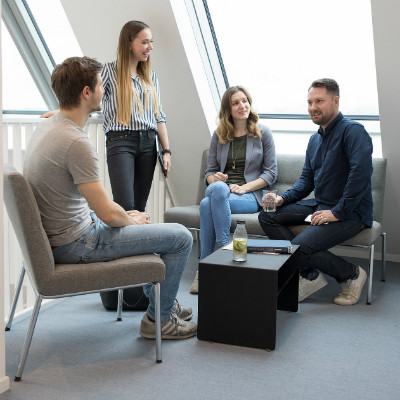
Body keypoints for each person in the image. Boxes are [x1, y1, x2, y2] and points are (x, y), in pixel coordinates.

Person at [24, 56, 197, 339]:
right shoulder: (76, 142)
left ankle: (163, 302)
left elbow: (99, 209)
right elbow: (106, 214)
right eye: (101, 86)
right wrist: (130, 221)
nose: (105, 90)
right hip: (78, 243)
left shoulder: (48, 126)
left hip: (67, 233)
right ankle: (160, 320)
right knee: (180, 237)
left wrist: (126, 217)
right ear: (86, 92)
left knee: (140, 223)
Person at [258, 78, 373, 306]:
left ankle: (351, 274)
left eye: (319, 101)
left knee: (300, 246)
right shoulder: (314, 139)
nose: (313, 107)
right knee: (267, 215)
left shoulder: (354, 132)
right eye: (310, 102)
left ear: (336, 101)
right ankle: (308, 273)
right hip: (320, 204)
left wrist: (338, 212)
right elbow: (306, 180)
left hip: (351, 213)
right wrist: (282, 198)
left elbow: (360, 176)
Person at [190, 85, 277, 293]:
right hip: (222, 192)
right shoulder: (219, 134)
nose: (242, 106)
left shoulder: (262, 133)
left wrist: (244, 187)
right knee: (217, 189)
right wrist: (216, 178)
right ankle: (223, 252)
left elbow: (271, 173)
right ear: (228, 109)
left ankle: (205, 269)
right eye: (236, 103)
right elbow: (209, 173)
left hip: (248, 196)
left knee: (205, 204)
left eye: (245, 101)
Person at [102, 20, 171, 213]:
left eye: (151, 42)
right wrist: (63, 112)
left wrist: (167, 151)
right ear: (129, 43)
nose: (151, 47)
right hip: (120, 141)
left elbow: (159, 116)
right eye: (145, 42)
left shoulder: (151, 77)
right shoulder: (108, 71)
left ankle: (138, 243)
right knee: (124, 206)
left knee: (139, 209)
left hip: (149, 144)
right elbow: (89, 98)